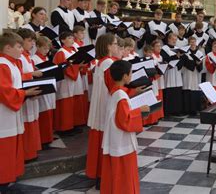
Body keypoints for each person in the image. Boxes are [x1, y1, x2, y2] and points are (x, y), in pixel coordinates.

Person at [0, 33, 41, 190]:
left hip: (11, 113)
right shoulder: (3, 64)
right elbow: (4, 91)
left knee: (10, 147)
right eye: (18, 46)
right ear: (8, 48)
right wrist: (25, 93)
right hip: (4, 115)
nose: (20, 49)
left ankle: (8, 178)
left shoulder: (12, 63)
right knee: (4, 149)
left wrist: (25, 92)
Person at [100, 60, 148, 194]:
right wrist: (140, 111)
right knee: (124, 175)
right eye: (131, 73)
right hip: (122, 142)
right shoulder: (121, 96)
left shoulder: (115, 91)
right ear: (125, 76)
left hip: (115, 139)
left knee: (116, 174)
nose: (132, 75)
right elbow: (124, 120)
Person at [86, 34, 118, 185]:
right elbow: (114, 86)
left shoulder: (101, 62)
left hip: (100, 105)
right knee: (106, 141)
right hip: (106, 105)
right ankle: (103, 175)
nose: (117, 46)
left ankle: (99, 174)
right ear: (108, 46)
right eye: (116, 44)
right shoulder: (109, 63)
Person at [17, 29, 43, 161]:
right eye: (29, 41)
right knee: (26, 123)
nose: (32, 43)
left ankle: (31, 152)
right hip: (24, 95)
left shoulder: (26, 56)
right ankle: (26, 154)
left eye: (33, 41)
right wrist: (32, 74)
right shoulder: (19, 57)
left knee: (32, 121)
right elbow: (16, 76)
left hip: (31, 93)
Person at [53, 31, 86, 134]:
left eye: (72, 38)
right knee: (66, 104)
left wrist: (81, 65)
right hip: (66, 81)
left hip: (76, 80)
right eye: (69, 38)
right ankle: (65, 128)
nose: (72, 40)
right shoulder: (61, 52)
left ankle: (74, 124)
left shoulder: (74, 50)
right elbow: (63, 68)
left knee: (75, 102)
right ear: (63, 40)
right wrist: (77, 67)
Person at [31, 36, 56, 146]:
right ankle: (44, 139)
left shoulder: (46, 58)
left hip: (48, 86)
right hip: (41, 89)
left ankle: (49, 136)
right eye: (44, 49)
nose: (46, 51)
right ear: (38, 47)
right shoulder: (34, 59)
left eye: (48, 49)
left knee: (49, 112)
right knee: (44, 114)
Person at [161, 33, 184, 116]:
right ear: (169, 39)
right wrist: (176, 57)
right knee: (169, 91)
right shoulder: (164, 48)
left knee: (177, 91)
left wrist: (179, 59)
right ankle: (168, 111)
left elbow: (182, 59)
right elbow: (165, 59)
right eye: (173, 39)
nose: (174, 41)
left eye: (175, 40)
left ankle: (177, 110)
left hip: (177, 72)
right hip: (169, 72)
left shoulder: (178, 49)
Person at [182, 37, 205, 115]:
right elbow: (184, 63)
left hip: (196, 74)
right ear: (189, 43)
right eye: (191, 42)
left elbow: (201, 66)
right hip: (187, 74)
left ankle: (195, 109)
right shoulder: (185, 53)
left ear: (196, 43)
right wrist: (194, 63)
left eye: (194, 42)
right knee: (188, 90)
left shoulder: (199, 53)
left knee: (195, 91)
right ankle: (187, 110)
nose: (193, 44)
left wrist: (198, 64)